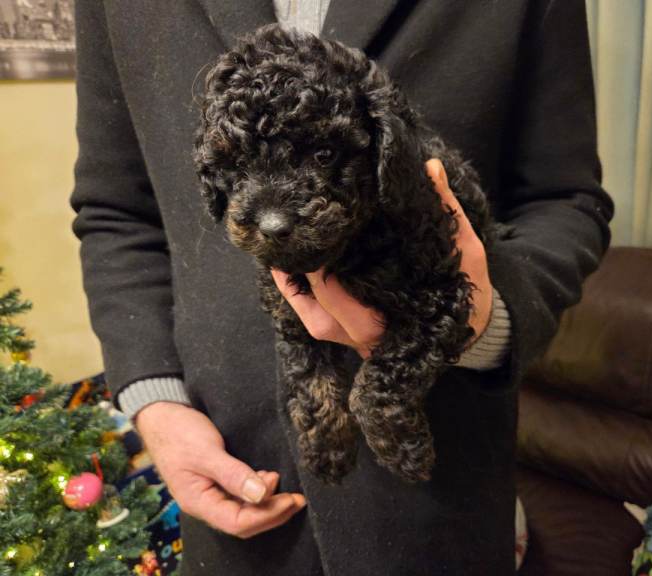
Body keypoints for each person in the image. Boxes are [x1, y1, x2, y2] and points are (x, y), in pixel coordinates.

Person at [70, 1, 613, 574]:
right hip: (232, 465)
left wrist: (481, 323)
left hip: (442, 477)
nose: (272, 219)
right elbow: (117, 212)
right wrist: (155, 401)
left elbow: (565, 199)